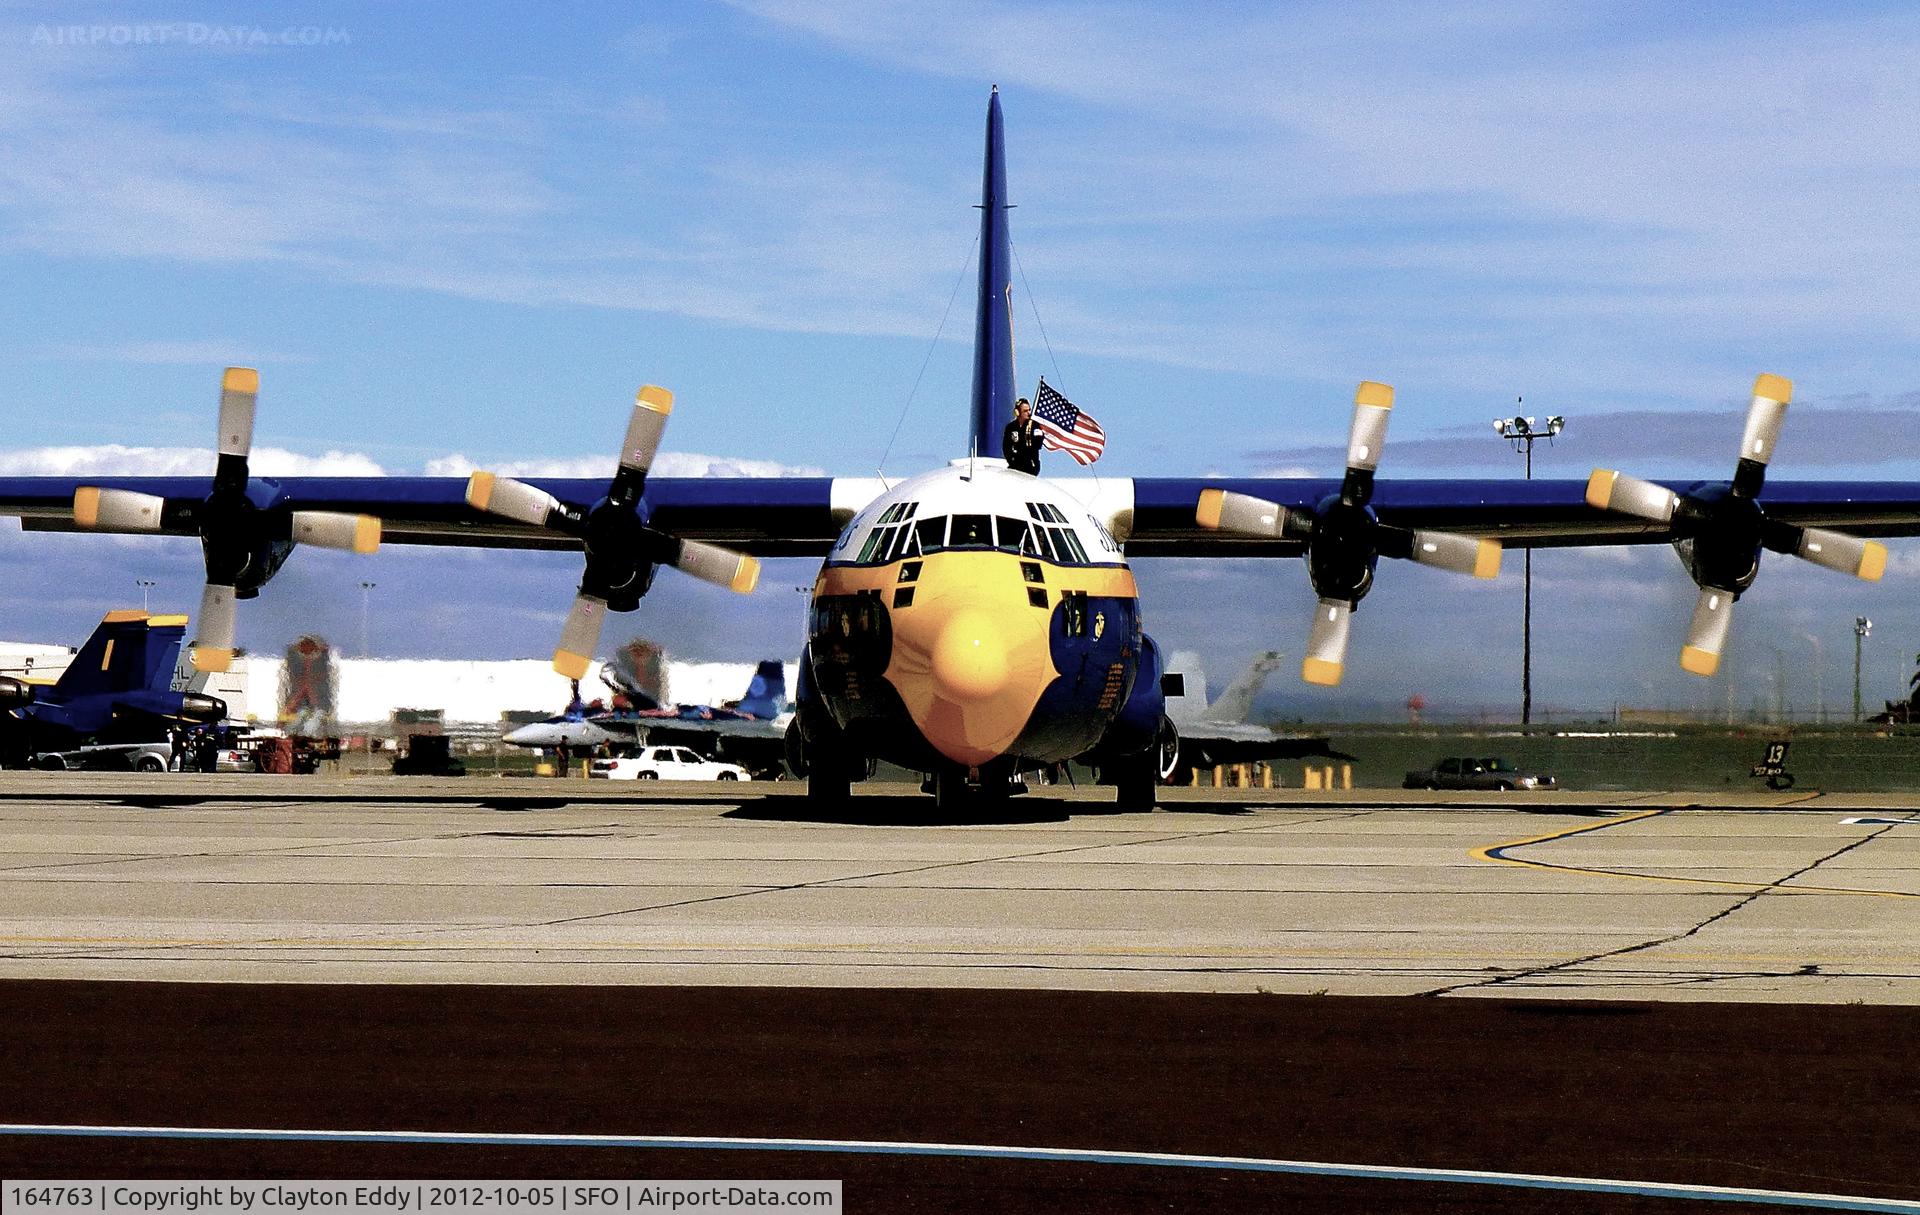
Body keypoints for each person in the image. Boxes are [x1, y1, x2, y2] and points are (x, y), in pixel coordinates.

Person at [1002, 397, 1041, 475]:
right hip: (1015, 465)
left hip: (1030, 466)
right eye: (1025, 411)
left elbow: (1038, 444)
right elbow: (1006, 446)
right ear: (1018, 412)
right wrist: (1011, 459)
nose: (1029, 413)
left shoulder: (1034, 426)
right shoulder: (1011, 427)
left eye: (1029, 410)